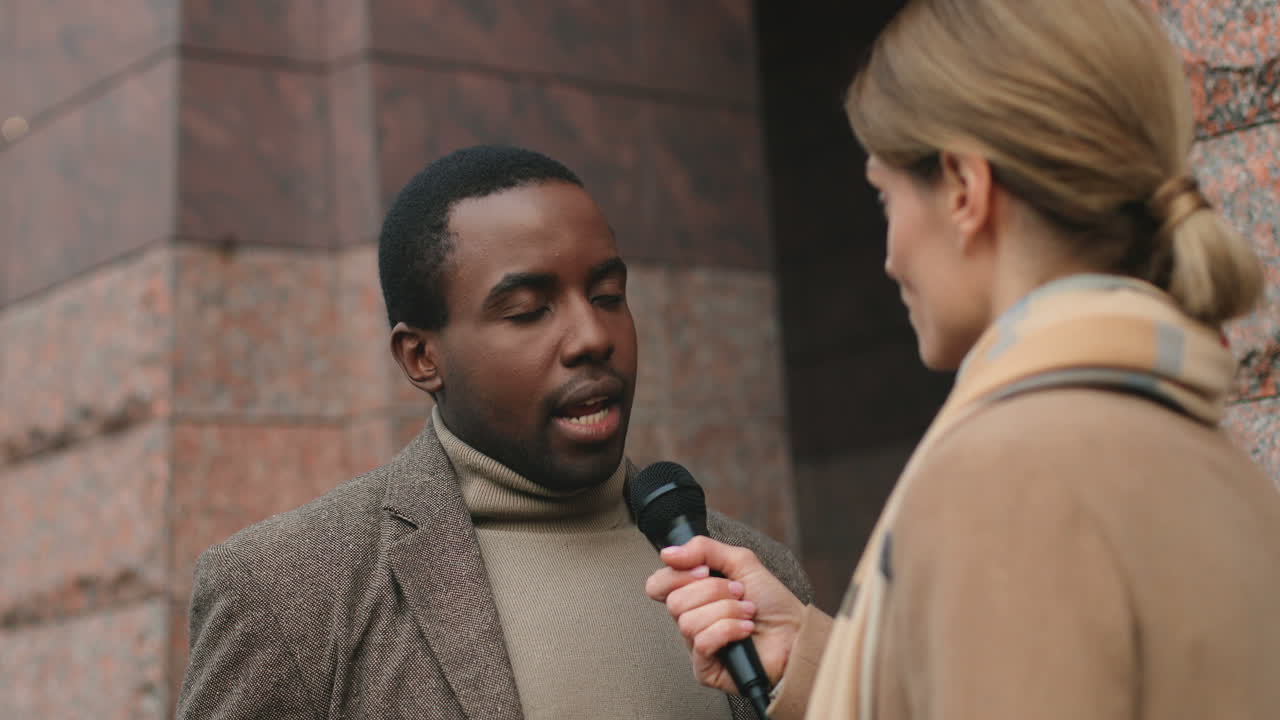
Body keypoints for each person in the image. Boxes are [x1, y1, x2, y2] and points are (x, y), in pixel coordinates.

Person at [646, 1, 1280, 718]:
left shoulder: (1008, 473)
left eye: (884, 198)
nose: (888, 259)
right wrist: (814, 656)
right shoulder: (1206, 449)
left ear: (963, 189)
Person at [176, 145, 811, 720]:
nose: (593, 337)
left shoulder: (759, 578)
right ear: (422, 357)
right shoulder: (288, 589)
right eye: (529, 312)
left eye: (609, 295)